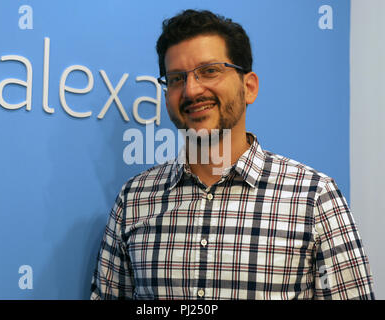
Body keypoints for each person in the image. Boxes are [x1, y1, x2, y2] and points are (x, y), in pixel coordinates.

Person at [90, 9, 374, 300]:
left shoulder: (314, 198)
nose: (191, 90)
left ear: (248, 87)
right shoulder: (134, 199)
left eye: (209, 71)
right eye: (176, 78)